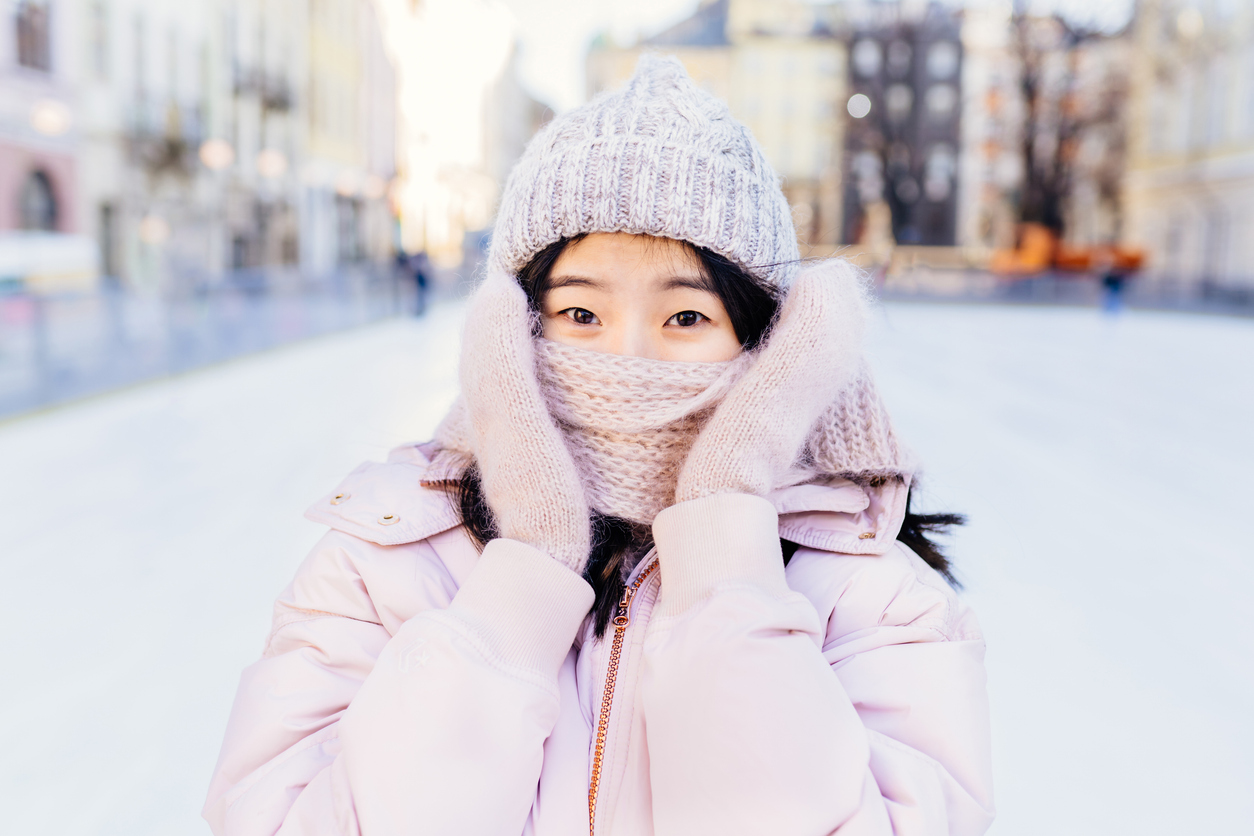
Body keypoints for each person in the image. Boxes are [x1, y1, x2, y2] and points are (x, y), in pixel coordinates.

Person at [204, 56, 993, 835]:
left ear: (770, 343)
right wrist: (523, 582)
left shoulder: (870, 594)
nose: (628, 358)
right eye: (581, 313)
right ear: (512, 326)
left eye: (686, 318)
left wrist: (726, 552)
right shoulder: (379, 560)